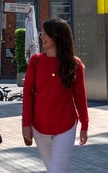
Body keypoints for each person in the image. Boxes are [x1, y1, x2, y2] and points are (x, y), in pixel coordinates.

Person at [22, 17, 88, 172]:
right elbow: (27, 94)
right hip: (39, 127)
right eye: (41, 33)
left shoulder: (75, 64)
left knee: (57, 169)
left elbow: (80, 97)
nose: (41, 37)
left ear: (57, 35)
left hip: (65, 126)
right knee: (52, 168)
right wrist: (26, 123)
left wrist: (84, 125)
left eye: (45, 33)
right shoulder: (36, 61)